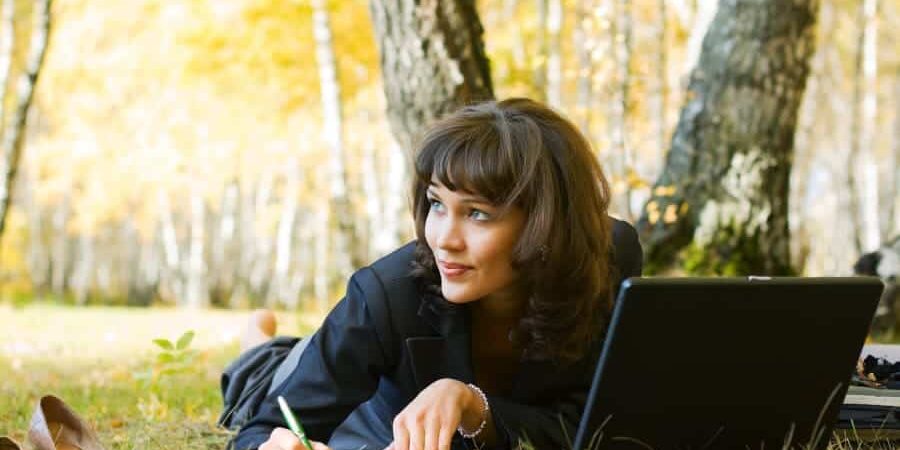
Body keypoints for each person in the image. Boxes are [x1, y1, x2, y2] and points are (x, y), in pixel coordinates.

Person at [220, 98, 643, 450]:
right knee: (269, 375)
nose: (443, 239)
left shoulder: (607, 259)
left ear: (544, 223)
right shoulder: (386, 293)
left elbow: (591, 426)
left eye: (477, 214)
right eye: (436, 203)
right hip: (367, 396)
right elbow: (265, 426)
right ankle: (256, 344)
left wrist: (472, 404)